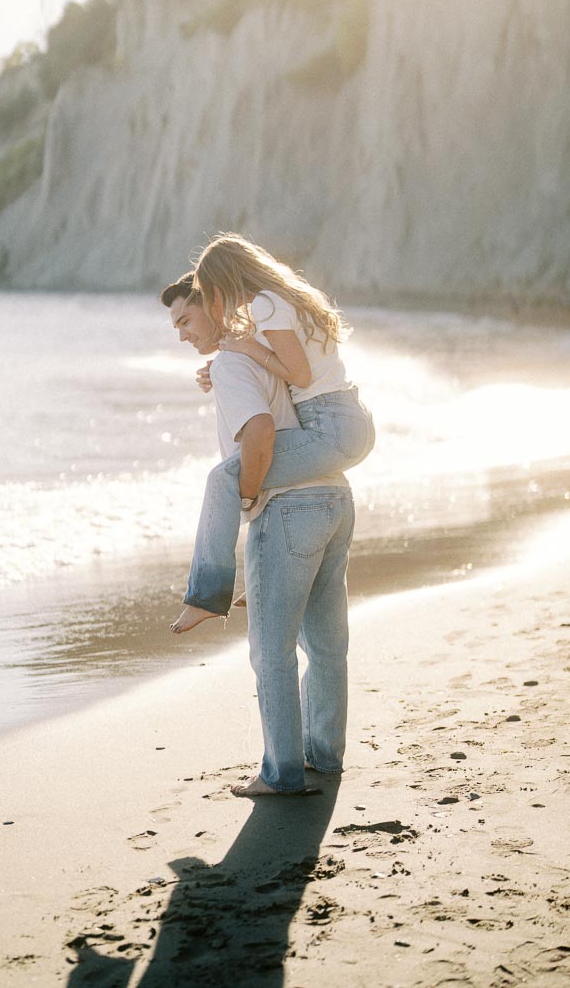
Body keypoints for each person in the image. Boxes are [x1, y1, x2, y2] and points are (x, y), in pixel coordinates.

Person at [161, 275, 355, 795]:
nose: (180, 333)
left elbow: (261, 435)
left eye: (186, 319)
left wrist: (248, 495)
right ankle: (326, 758)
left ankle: (283, 774)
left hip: (288, 508)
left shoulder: (230, 363)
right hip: (335, 497)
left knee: (271, 653)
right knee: (327, 645)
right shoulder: (258, 349)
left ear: (213, 305)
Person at [168, 234, 373, 634]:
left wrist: (246, 352)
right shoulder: (287, 299)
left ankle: (206, 596)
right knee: (329, 648)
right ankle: (263, 577)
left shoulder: (264, 304)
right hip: (347, 418)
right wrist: (226, 365)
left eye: (211, 292)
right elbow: (281, 364)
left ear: (224, 282)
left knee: (226, 477)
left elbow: (299, 375)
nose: (217, 304)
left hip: (330, 424)